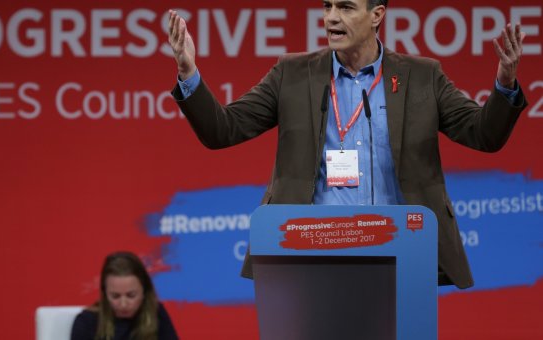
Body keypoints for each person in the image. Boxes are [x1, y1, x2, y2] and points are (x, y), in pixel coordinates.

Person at [167, 0, 527, 289]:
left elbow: (484, 135)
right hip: (313, 255)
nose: (331, 18)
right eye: (326, 7)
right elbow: (223, 130)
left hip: (399, 254)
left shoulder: (422, 77)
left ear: (377, 15)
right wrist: (188, 72)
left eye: (345, 7)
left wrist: (505, 81)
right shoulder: (293, 73)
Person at [70, 251, 179, 340]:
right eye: (115, 296)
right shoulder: (87, 322)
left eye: (131, 295)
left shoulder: (156, 313)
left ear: (144, 291)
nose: (123, 304)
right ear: (105, 294)